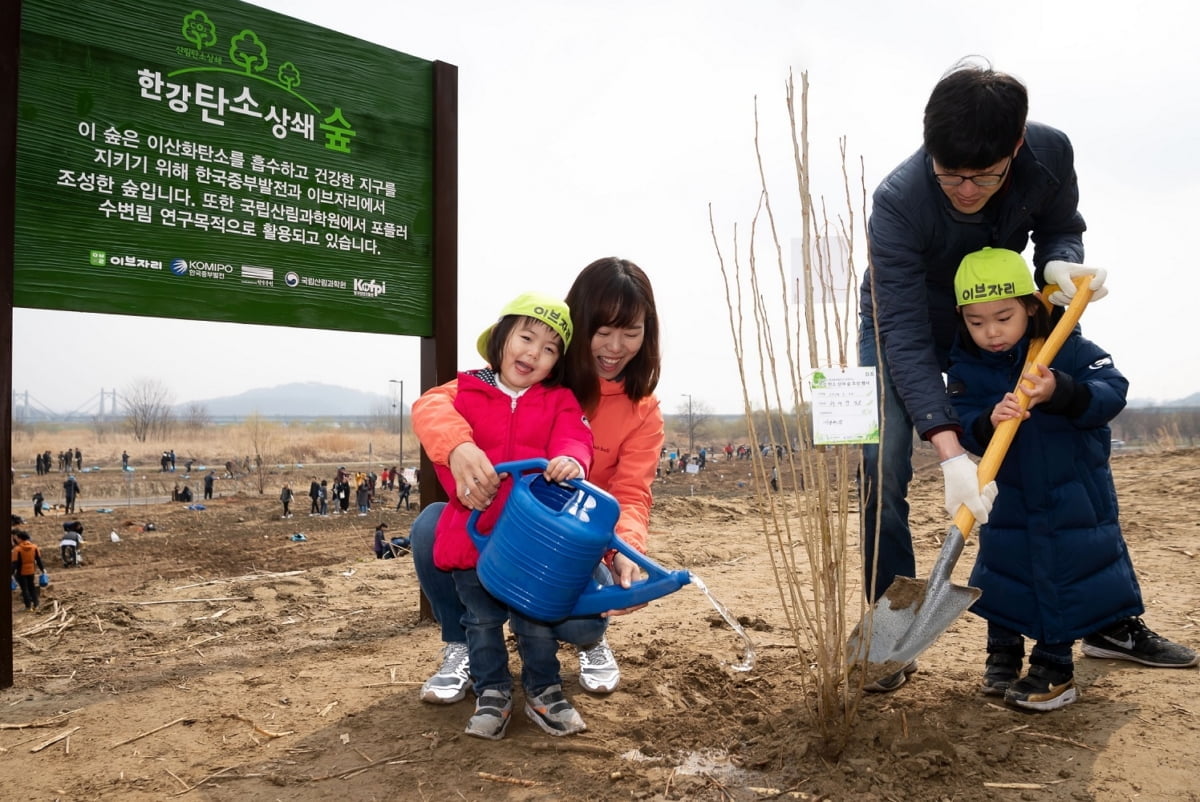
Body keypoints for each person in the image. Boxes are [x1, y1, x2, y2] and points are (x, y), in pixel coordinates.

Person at [857, 59, 1194, 692]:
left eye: (981, 177)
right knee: (881, 461)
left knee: (1057, 458)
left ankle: (1105, 619)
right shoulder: (898, 200)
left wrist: (1060, 267)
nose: (963, 189)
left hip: (1003, 313)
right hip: (908, 320)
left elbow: (1061, 226)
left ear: (1015, 147)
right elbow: (900, 335)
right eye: (948, 174)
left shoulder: (1049, 151)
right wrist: (951, 447)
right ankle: (889, 639)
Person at [410, 257, 664, 707]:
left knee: (580, 619)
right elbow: (435, 403)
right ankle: (463, 644)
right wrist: (457, 447)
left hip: (569, 538)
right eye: (602, 331)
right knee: (432, 526)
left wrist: (627, 551)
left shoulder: (641, 408)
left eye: (631, 332)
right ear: (575, 326)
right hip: (498, 526)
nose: (615, 346)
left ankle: (591, 642)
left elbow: (630, 492)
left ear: (648, 334)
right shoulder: (532, 375)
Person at [945, 247, 1168, 710]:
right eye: (976, 321)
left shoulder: (1070, 346)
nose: (991, 332)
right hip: (1008, 495)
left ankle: (1055, 667)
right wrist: (989, 418)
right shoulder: (966, 367)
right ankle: (1002, 655)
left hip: (1075, 490)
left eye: (1003, 317)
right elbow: (965, 422)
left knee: (1068, 569)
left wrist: (1060, 389)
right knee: (1002, 572)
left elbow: (1113, 391)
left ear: (1031, 305)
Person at [417, 290, 594, 740]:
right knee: (481, 619)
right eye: (527, 338)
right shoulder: (466, 392)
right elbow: (437, 430)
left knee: (535, 621)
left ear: (556, 363)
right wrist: (459, 458)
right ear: (501, 339)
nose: (534, 353)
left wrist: (571, 461)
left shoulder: (558, 401)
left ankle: (544, 689)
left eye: (550, 349)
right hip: (472, 536)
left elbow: (575, 438)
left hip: (529, 543)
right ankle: (492, 690)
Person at [11, 530, 46, 612]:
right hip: (31, 571)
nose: (16, 540)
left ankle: (28, 607)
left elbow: (15, 563)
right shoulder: (34, 547)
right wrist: (42, 569)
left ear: (20, 539)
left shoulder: (17, 549)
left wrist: (11, 573)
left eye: (17, 538)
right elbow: (38, 560)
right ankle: (36, 605)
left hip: (21, 572)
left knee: (25, 589)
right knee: (32, 587)